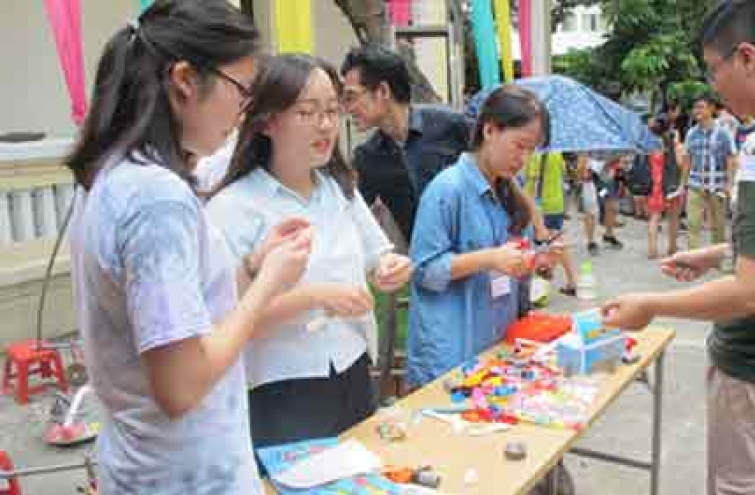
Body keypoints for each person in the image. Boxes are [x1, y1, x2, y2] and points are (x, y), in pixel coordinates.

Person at [602, 2, 755, 494]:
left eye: (713, 70)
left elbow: (754, 293)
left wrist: (650, 305)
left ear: (746, 57)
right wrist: (720, 251)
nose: (712, 87)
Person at [63, 2, 315, 492]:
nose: (242, 115)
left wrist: (250, 266)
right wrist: (268, 286)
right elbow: (180, 384)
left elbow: (180, 316)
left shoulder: (112, 177)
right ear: (184, 80)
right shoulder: (156, 197)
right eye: (241, 91)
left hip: (148, 464)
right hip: (185, 475)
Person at [207, 54, 412, 456]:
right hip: (281, 385)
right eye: (307, 112)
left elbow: (379, 257)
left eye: (333, 112)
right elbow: (225, 320)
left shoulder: (336, 189)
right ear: (267, 121)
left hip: (351, 367)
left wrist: (390, 268)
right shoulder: (232, 208)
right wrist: (317, 296)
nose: (325, 126)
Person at [406, 85, 549, 387]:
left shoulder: (510, 190)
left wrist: (531, 260)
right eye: (519, 146)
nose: (523, 158)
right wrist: (489, 258)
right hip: (451, 356)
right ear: (489, 130)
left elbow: (511, 268)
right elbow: (422, 271)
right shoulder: (448, 189)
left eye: (531, 150)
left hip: (496, 345)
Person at [341, 44, 472, 243]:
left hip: (482, 254)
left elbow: (498, 173)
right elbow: (352, 216)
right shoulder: (366, 158)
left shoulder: (453, 124)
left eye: (351, 97)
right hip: (427, 265)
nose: (348, 108)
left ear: (383, 91)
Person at [682, 94, 737, 249]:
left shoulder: (723, 133)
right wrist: (682, 185)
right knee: (692, 223)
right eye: (695, 107)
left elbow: (731, 158)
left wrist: (729, 183)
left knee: (719, 224)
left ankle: (716, 258)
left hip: (717, 184)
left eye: (701, 107)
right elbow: (687, 160)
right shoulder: (691, 133)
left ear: (711, 109)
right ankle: (693, 257)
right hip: (695, 183)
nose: (696, 111)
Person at [522, 151, 578, 295]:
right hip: (557, 203)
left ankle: (537, 287)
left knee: (536, 245)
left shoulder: (534, 154)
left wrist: (526, 204)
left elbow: (532, 182)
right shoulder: (557, 152)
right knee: (557, 242)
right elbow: (564, 172)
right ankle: (571, 281)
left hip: (540, 206)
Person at [645, 117, 683, 259]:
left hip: (655, 184)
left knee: (654, 217)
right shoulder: (673, 145)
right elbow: (681, 164)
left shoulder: (650, 146)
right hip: (671, 184)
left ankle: (652, 250)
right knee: (673, 217)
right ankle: (672, 247)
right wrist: (678, 142)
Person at [577, 153, 601, 256]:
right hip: (587, 187)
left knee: (594, 214)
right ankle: (591, 241)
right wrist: (588, 172)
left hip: (595, 186)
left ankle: (592, 239)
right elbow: (581, 175)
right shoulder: (583, 156)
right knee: (589, 214)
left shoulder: (594, 155)